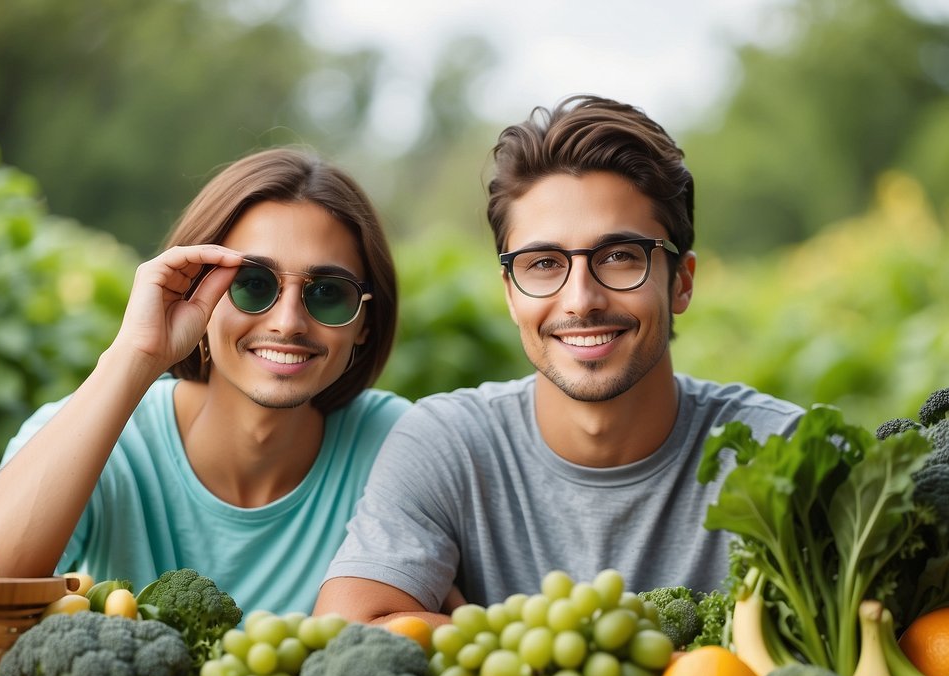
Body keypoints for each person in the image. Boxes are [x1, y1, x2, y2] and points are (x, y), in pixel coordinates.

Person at [315, 95, 802, 625]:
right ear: (510, 292)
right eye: (543, 263)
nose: (580, 300)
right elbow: (346, 633)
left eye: (619, 257)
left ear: (680, 282)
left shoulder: (779, 455)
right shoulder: (448, 444)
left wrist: (470, 630)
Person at [0, 147, 409, 614]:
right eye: (253, 283)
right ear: (195, 289)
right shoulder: (96, 435)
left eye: (329, 294)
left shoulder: (399, 442)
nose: (288, 322)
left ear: (365, 324)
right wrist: (136, 355)